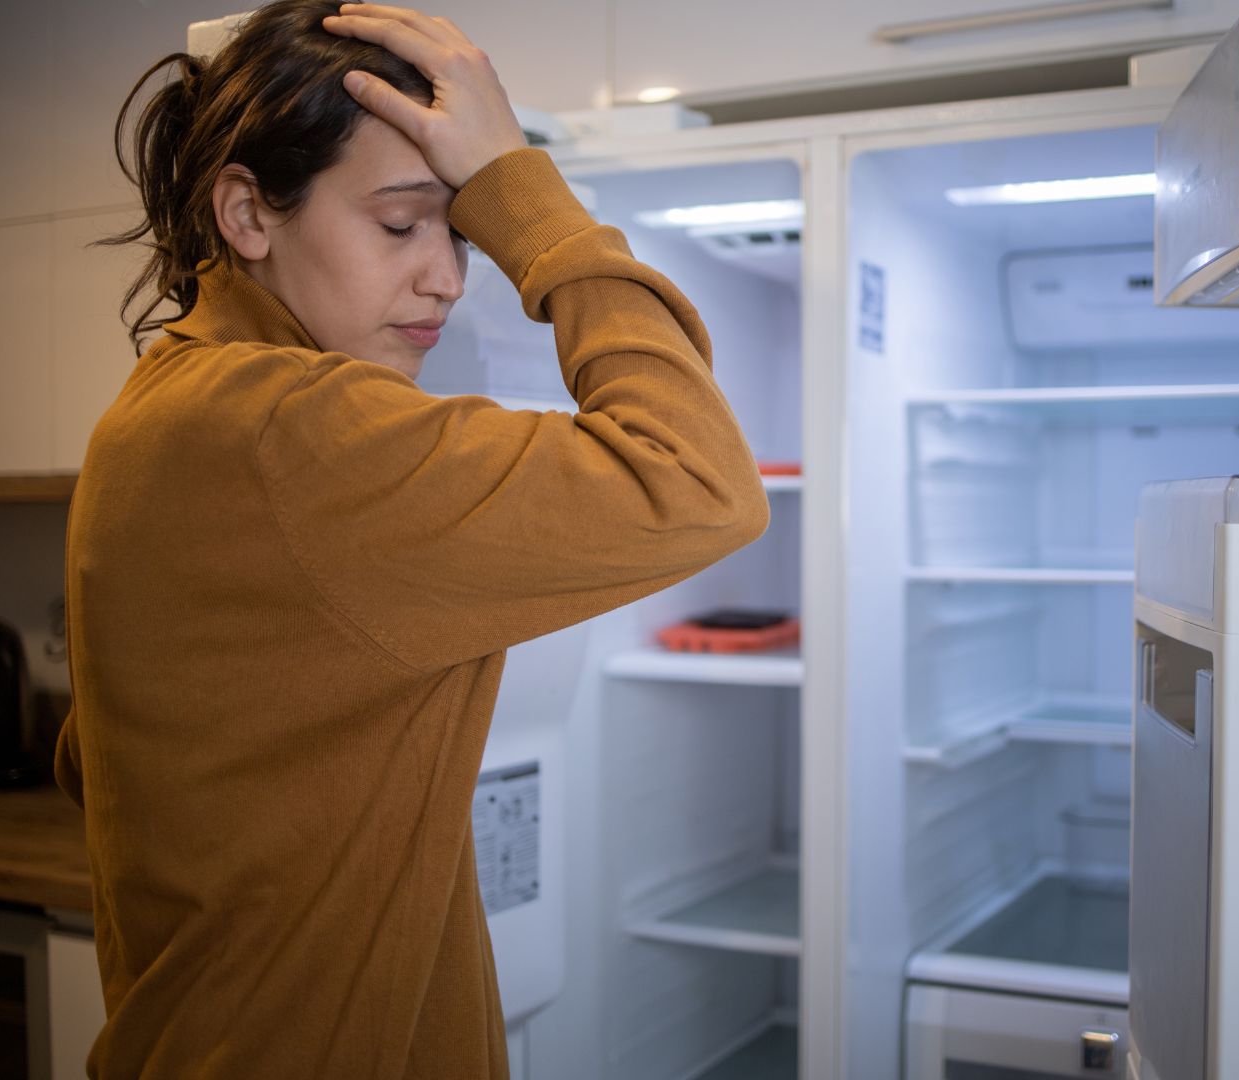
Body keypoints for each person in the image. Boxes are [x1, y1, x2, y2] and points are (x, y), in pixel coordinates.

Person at [54, 2, 769, 1075]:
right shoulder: (291, 426)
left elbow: (100, 761)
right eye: (400, 225)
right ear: (247, 213)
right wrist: (521, 193)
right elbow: (701, 478)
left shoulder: (161, 409)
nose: (448, 277)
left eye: (462, 230)